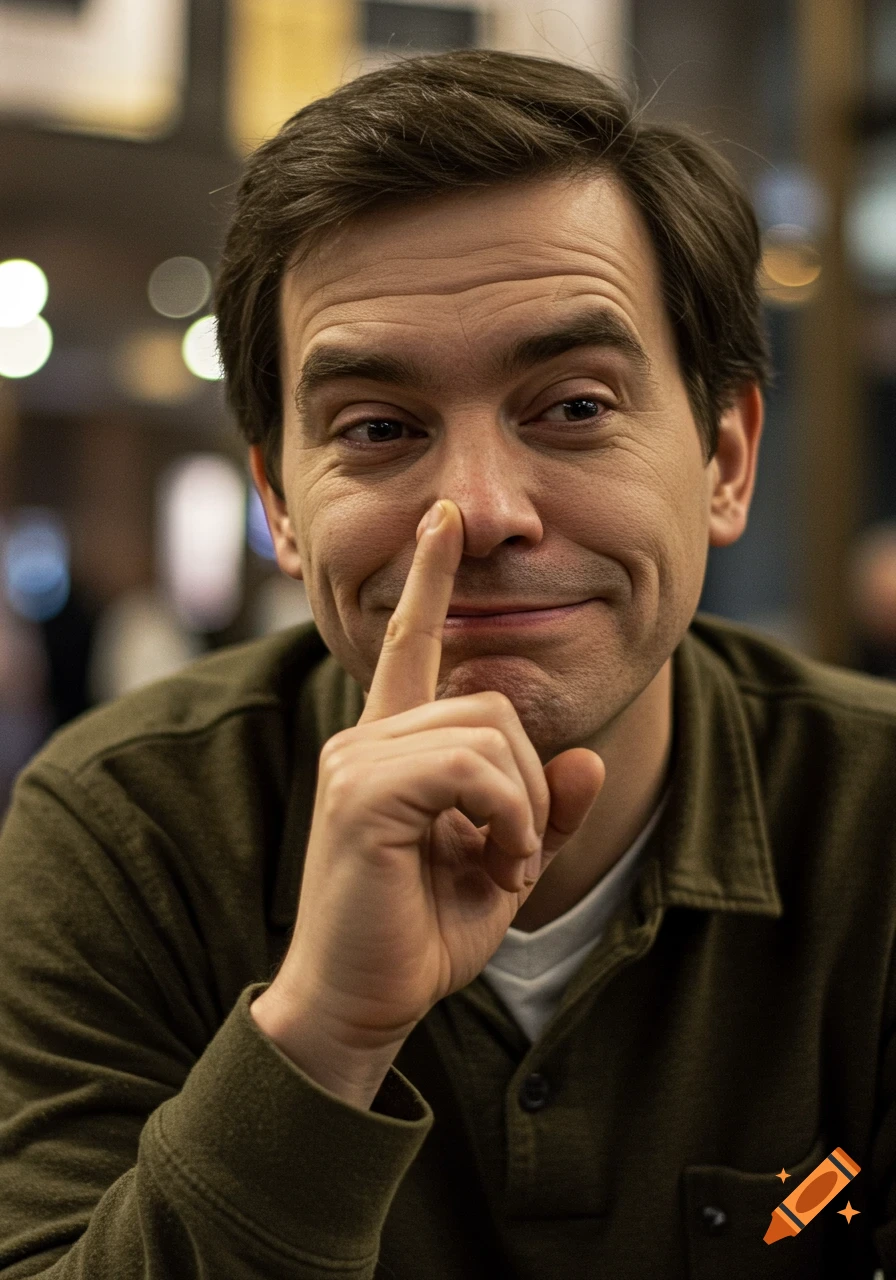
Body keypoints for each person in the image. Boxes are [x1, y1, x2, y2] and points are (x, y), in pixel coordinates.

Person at [0, 49, 893, 1280]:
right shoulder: (123, 828)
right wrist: (320, 1038)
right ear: (281, 504)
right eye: (378, 428)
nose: (475, 510)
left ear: (726, 457)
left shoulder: (875, 820)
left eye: (573, 405)